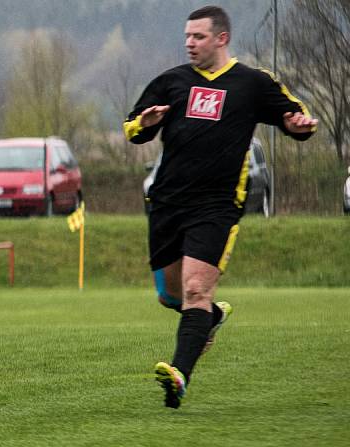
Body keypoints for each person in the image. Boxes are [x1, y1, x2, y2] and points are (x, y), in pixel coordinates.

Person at [123, 6, 317, 408]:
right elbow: (132, 128)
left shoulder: (251, 83)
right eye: (187, 37)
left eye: (198, 37)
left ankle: (179, 375)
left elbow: (293, 115)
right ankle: (210, 318)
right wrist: (145, 122)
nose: (189, 43)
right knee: (171, 296)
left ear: (221, 38)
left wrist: (298, 125)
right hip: (167, 202)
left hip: (218, 204)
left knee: (197, 289)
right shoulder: (171, 82)